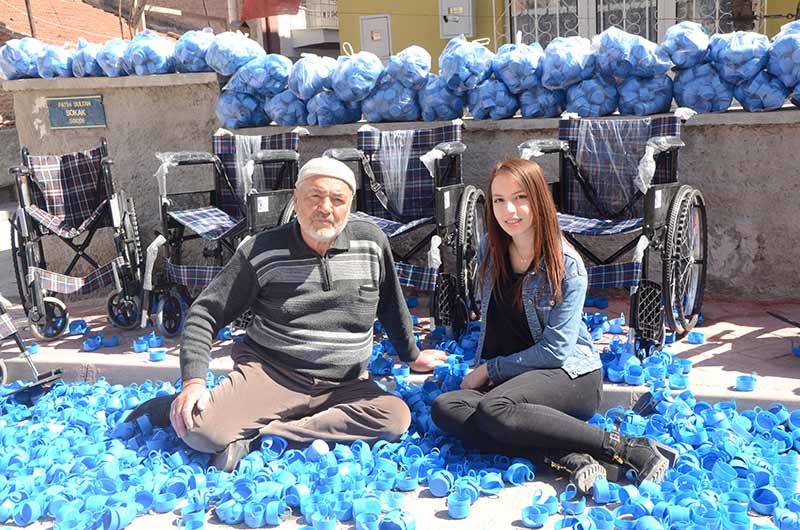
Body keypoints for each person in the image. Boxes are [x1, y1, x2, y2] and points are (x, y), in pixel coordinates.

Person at [128, 156, 446, 471]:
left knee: (394, 418)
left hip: (344, 384)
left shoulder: (372, 242)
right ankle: (167, 409)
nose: (326, 208)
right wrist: (193, 383)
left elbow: (391, 302)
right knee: (199, 430)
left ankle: (263, 438)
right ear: (296, 199)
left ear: (350, 205)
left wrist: (411, 355)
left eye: (337, 199)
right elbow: (205, 313)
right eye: (315, 196)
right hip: (273, 374)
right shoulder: (262, 251)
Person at [431, 158, 675, 494]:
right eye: (499, 200)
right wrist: (490, 370)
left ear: (538, 200)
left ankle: (626, 447)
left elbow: (555, 350)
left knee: (493, 409)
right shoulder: (490, 248)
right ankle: (566, 456)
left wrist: (490, 371)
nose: (509, 210)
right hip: (516, 382)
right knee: (446, 408)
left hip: (569, 377)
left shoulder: (567, 264)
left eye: (520, 198)